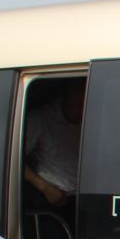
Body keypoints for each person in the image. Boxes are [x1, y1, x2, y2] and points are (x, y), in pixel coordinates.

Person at [23, 80, 83, 211]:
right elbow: (14, 161)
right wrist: (45, 188)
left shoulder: (90, 118)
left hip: (87, 197)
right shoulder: (40, 119)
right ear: (66, 95)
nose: (81, 107)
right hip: (57, 200)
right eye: (78, 101)